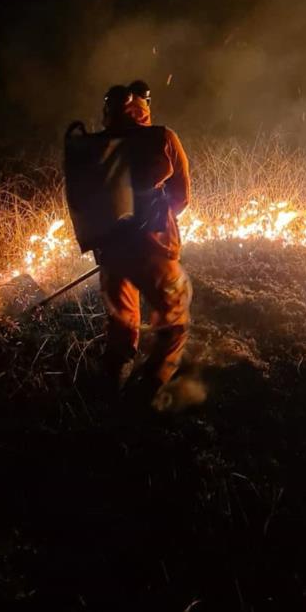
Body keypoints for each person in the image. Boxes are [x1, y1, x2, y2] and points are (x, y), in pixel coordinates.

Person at [95, 83, 191, 396]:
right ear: (144, 106)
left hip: (111, 253)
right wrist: (160, 222)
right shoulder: (162, 138)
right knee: (173, 324)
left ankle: (107, 397)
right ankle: (146, 395)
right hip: (155, 250)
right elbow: (182, 196)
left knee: (121, 330)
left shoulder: (95, 146)